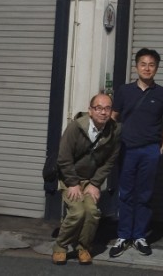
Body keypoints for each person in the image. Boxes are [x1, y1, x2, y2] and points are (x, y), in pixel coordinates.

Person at [108, 48, 163, 257]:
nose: (147, 68)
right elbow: (114, 117)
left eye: (151, 65)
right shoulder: (124, 91)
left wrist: (162, 145)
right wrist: (111, 143)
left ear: (156, 68)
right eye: (143, 64)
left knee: (145, 194)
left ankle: (139, 236)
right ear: (136, 67)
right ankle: (123, 235)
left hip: (150, 150)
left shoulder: (162, 93)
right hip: (127, 149)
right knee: (126, 193)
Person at [52, 93, 120, 265]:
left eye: (107, 108)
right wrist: (73, 183)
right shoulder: (75, 128)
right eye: (98, 108)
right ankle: (60, 246)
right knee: (77, 212)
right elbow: (64, 158)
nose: (103, 112)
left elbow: (109, 161)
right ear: (90, 110)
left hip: (90, 180)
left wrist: (95, 183)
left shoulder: (114, 131)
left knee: (92, 212)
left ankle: (83, 247)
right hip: (70, 178)